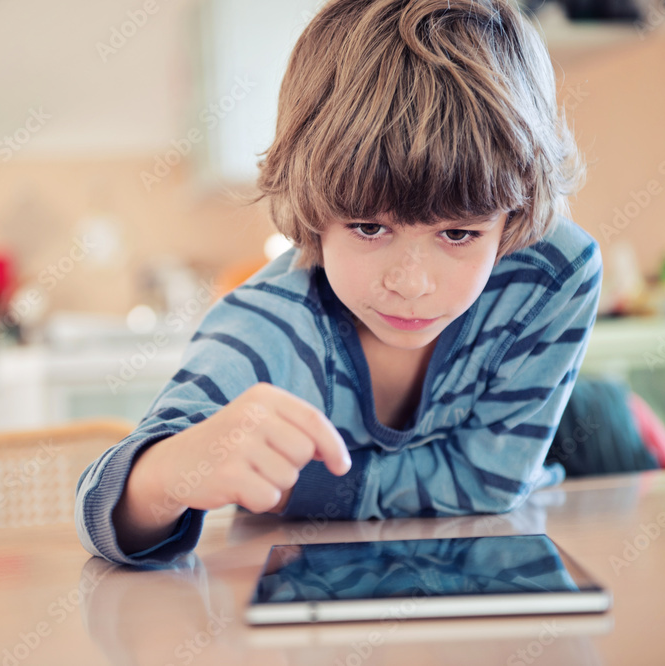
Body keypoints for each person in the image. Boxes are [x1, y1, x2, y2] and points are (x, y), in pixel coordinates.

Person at [76, 0, 602, 566]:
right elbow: (101, 512)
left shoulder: (552, 278)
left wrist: (300, 491)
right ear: (314, 210)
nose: (411, 283)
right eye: (370, 227)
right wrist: (169, 477)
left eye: (458, 234)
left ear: (511, 219)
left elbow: (489, 483)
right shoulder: (264, 326)